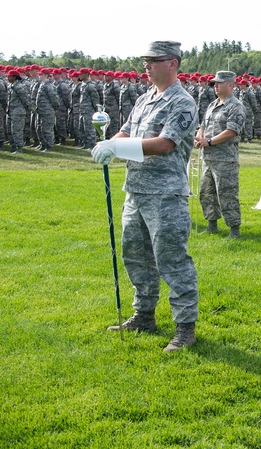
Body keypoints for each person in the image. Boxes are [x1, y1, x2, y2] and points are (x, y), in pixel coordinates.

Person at [92, 41, 200, 352]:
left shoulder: (182, 102)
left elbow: (165, 143)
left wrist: (117, 148)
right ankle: (144, 314)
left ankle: (185, 327)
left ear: (173, 64)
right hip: (136, 191)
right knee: (136, 256)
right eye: (145, 61)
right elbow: (126, 132)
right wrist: (109, 144)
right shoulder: (143, 100)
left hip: (165, 195)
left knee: (172, 260)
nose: (147, 66)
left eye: (154, 60)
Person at [194, 71, 245, 238]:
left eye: (218, 83)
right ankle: (212, 224)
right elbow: (203, 125)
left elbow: (231, 131)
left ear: (230, 85)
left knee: (227, 193)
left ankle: (234, 228)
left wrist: (208, 142)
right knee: (206, 192)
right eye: (214, 83)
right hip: (208, 158)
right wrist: (200, 137)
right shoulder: (212, 105)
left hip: (225, 158)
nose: (215, 86)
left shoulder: (235, 106)